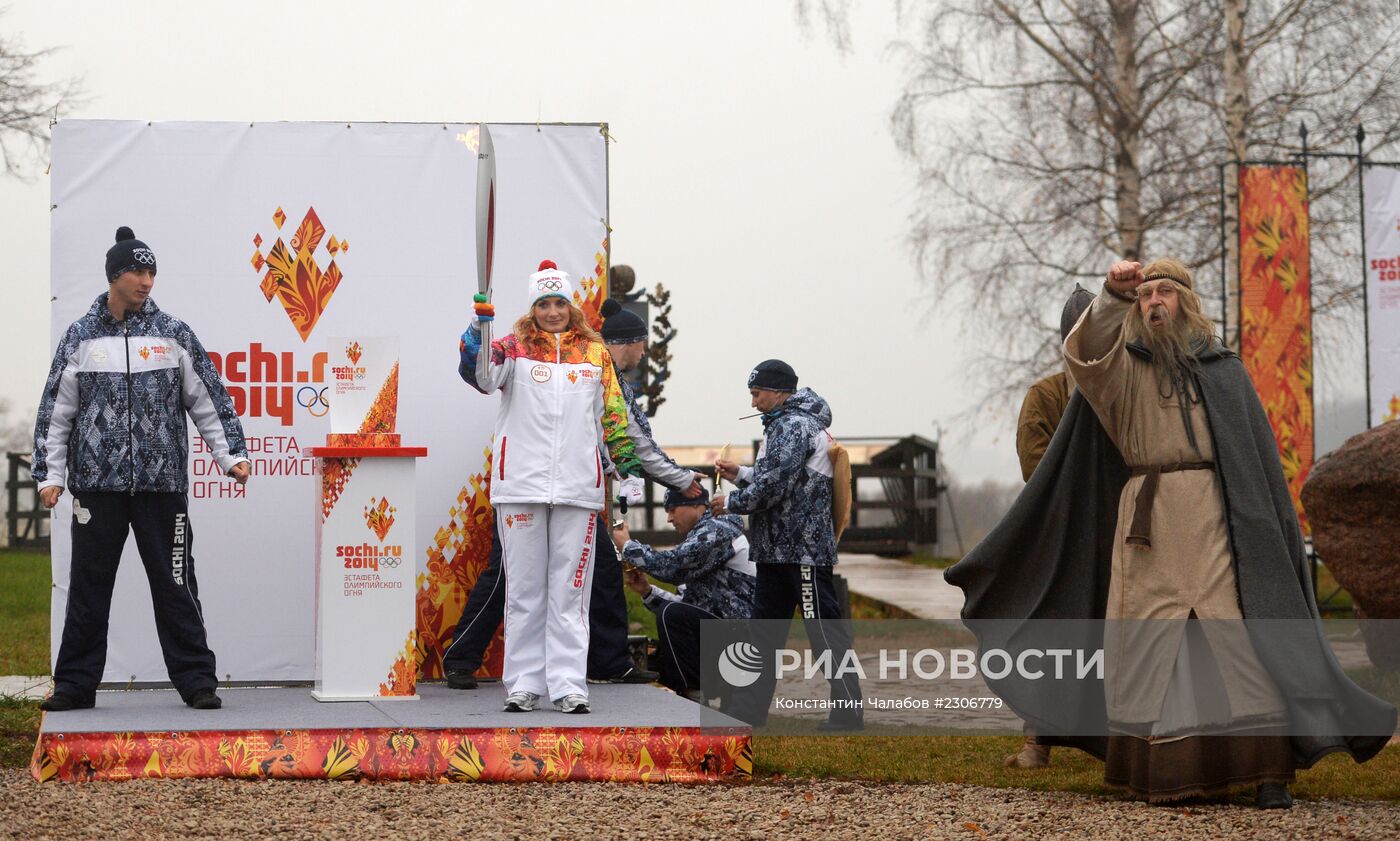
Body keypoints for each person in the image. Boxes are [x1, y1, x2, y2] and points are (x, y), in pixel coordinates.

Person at [946, 259, 1396, 808]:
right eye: (1146, 294)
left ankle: (1266, 770)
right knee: (1150, 638)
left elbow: (1257, 461)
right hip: (1149, 524)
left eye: (1165, 292)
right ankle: (1163, 771)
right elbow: (1085, 357)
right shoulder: (1124, 373)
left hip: (1215, 517)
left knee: (1231, 633)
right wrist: (1113, 296)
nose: (1154, 301)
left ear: (1187, 299)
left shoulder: (1225, 368)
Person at [32, 227, 251, 712]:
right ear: (114, 275)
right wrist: (50, 476)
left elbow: (208, 400)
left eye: (152, 272)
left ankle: (197, 681)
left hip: (162, 486)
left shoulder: (173, 334)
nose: (147, 281)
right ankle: (73, 685)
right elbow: (56, 411)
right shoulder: (81, 337)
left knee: (176, 584)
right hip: (97, 488)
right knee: (88, 588)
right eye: (137, 270)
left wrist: (230, 455)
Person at [458, 259, 640, 714]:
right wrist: (478, 329)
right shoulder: (512, 347)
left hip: (578, 489)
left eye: (560, 302)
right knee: (523, 591)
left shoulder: (594, 353)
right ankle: (522, 684)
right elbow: (479, 376)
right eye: (545, 303)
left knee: (570, 592)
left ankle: (568, 685)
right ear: (533, 306)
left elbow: (614, 416)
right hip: (521, 484)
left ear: (571, 305)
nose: (553, 311)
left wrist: (628, 468)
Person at [712, 360, 863, 730]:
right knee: (764, 637)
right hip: (777, 551)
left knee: (823, 634)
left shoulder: (792, 426)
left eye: (756, 393)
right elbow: (779, 478)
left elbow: (775, 486)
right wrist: (741, 474)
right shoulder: (790, 425)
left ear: (779, 391)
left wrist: (730, 501)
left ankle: (848, 715)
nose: (753, 402)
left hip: (803, 554)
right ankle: (748, 714)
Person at [1005, 284, 1094, 769]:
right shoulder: (1046, 395)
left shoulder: (1127, 388)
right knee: (1052, 638)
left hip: (1121, 531)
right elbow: (1034, 465)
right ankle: (1037, 740)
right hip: (1061, 533)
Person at [612, 486, 756, 700]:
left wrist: (627, 546)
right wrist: (646, 591)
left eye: (672, 510)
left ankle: (695, 695)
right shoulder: (700, 537)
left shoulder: (718, 529)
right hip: (720, 633)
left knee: (671, 615)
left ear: (697, 506)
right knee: (645, 663)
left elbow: (672, 567)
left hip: (740, 638)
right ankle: (688, 693)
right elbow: (684, 603)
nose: (669, 518)